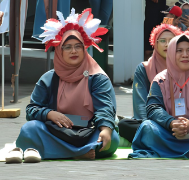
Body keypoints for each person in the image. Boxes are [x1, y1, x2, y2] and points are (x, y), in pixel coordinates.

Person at [18, 9, 118, 160]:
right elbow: (31, 109)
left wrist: (105, 129)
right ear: (59, 50)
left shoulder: (97, 77)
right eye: (68, 47)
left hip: (89, 131)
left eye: (78, 46)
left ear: (85, 49)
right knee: (30, 129)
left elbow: (105, 108)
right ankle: (80, 153)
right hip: (56, 132)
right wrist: (49, 114)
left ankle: (57, 151)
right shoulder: (48, 78)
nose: (74, 51)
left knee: (112, 139)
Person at [120, 15, 181, 143]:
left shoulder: (183, 67)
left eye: (171, 40)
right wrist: (148, 125)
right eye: (162, 41)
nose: (167, 44)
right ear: (155, 43)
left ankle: (158, 140)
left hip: (179, 123)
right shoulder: (144, 69)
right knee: (124, 125)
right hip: (151, 123)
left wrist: (180, 124)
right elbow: (140, 103)